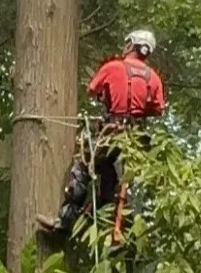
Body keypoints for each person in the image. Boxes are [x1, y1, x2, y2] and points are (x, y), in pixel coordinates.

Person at [39, 29, 166, 243]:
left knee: (83, 169)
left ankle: (65, 222)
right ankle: (94, 223)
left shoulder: (113, 67)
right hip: (134, 140)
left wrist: (110, 94)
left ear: (132, 46)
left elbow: (92, 89)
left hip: (111, 132)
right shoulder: (153, 78)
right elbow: (158, 108)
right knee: (112, 181)